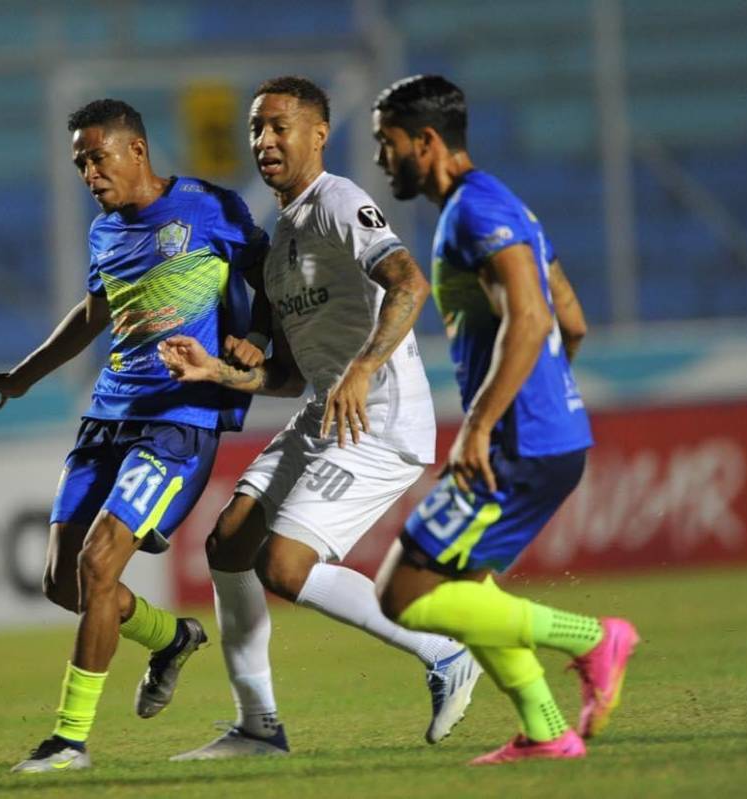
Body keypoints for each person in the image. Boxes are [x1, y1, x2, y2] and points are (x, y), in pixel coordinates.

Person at [157, 76, 481, 761]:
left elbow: (409, 283)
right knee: (229, 545)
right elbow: (292, 373)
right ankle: (258, 726)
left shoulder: (339, 201)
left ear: (317, 135)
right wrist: (216, 369)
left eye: (279, 127)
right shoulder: (280, 244)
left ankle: (446, 652)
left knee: (285, 561)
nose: (264, 141)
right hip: (324, 410)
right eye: (255, 129)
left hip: (380, 418)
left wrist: (364, 368)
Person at [0, 98, 268, 772]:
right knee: (63, 581)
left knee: (100, 566)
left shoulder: (208, 208)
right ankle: (172, 637)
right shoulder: (105, 232)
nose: (89, 173)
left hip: (177, 419)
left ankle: (69, 741)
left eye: (97, 158)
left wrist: (260, 343)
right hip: (108, 414)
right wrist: (24, 375)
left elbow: (268, 272)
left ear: (137, 150)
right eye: (79, 163)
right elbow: (96, 310)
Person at [369, 74, 639, 765]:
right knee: (464, 590)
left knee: (401, 591)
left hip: (515, 443)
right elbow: (571, 316)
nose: (380, 158)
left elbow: (535, 314)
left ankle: (590, 636)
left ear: (425, 142)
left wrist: (483, 422)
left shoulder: (471, 212)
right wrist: (545, 395)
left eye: (387, 143)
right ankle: (547, 729)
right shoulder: (502, 204)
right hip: (546, 434)